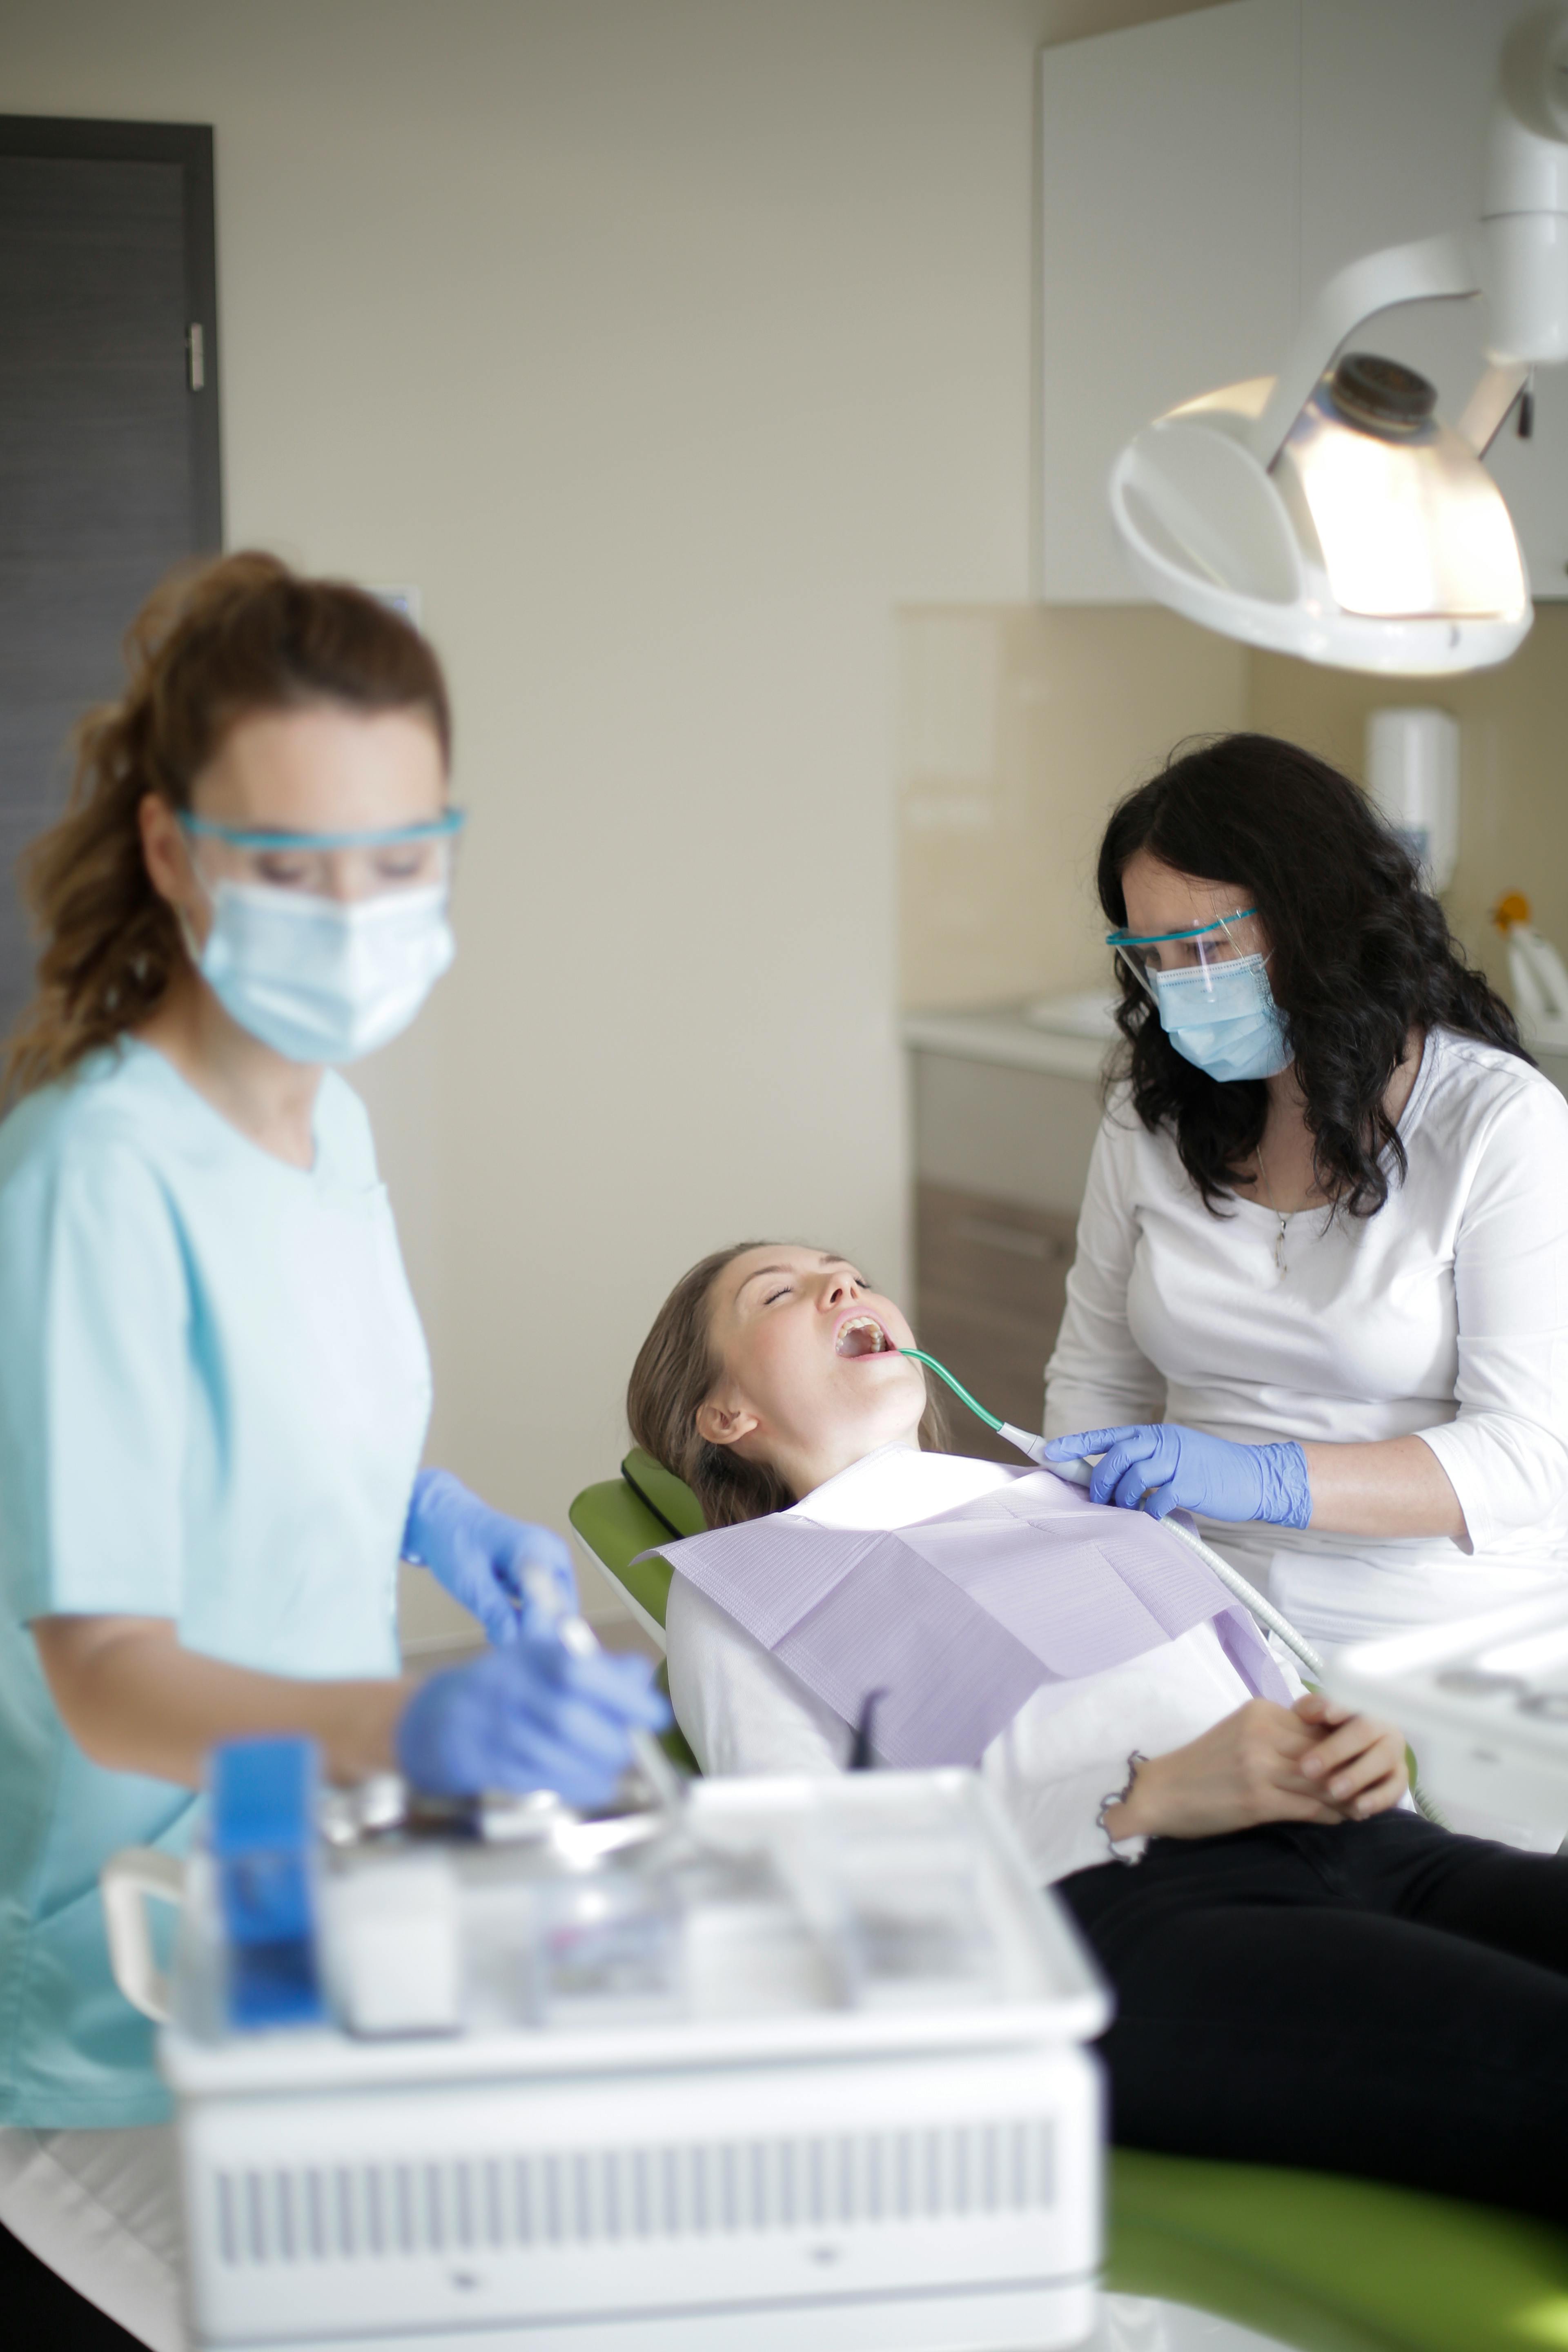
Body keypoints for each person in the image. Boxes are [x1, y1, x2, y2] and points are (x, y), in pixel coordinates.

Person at [0, 556, 666, 2350]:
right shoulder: (94, 1176)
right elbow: (108, 1678)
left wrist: (435, 1514)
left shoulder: (329, 1131)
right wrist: (412, 1721)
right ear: (170, 852)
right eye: (289, 867)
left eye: (398, 858)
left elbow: (267, 1441)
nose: (353, 910)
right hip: (96, 1984)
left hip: (278, 1889)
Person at [625, 1237, 1568, 2226]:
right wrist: (1141, 1803)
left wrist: (1350, 1749)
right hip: (1128, 1922)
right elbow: (817, 1885)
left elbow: (1269, 1689)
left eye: (851, 1275)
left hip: (1369, 1843)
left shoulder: (1088, 1499)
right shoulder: (743, 1591)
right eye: (781, 1292)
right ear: (728, 1415)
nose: (843, 1287)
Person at [1042, 735, 1568, 1690]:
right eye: (1152, 956)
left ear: (1318, 920)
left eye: (1208, 946)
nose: (1181, 987)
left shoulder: (1500, 1124)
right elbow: (1098, 1382)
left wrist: (1267, 1479)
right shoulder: (1149, 1114)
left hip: (1438, 1635)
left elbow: (1528, 1458)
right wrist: (1107, 1571)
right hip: (1196, 1604)